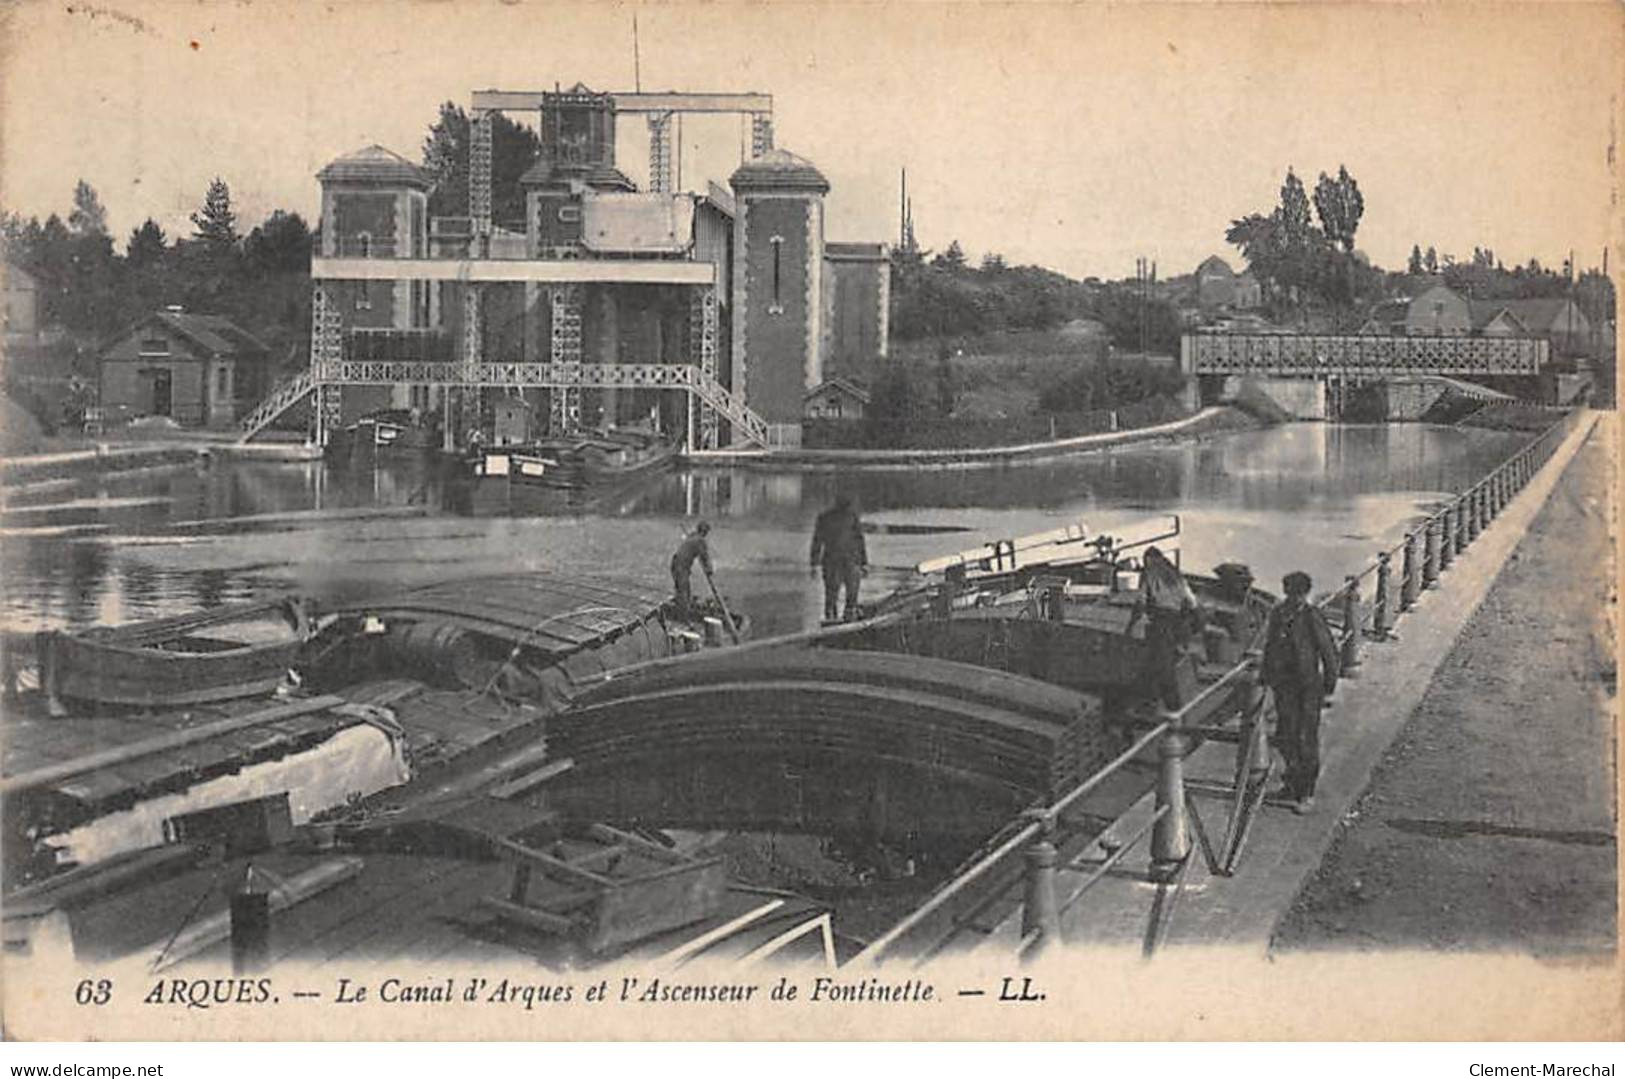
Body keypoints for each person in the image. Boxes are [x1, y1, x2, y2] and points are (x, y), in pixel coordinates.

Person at [1261, 570, 1341, 815]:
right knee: (1285, 736)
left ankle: (1305, 792)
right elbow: (1270, 646)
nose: (1294, 598)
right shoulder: (1278, 614)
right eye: (1290, 593)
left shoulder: (1311, 616)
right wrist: (1266, 675)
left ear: (1305, 594)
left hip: (1307, 687)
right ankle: (1291, 782)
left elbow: (1328, 650)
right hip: (1284, 686)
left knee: (1306, 739)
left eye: (1298, 594)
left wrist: (1329, 685)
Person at [1126, 546, 1202, 708]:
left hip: (1163, 624)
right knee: (1172, 659)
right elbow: (1191, 601)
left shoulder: (1149, 574)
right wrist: (1196, 625)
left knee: (1162, 665)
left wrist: (1130, 626)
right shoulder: (1175, 574)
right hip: (1181, 624)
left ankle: (1172, 707)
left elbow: (1140, 601)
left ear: (1149, 559)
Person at [810, 495, 868, 623]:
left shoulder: (826, 518)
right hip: (845, 561)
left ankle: (834, 620)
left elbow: (817, 542)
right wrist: (864, 563)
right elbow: (860, 541)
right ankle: (843, 620)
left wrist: (814, 564)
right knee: (845, 596)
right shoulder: (851, 517)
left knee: (834, 596)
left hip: (839, 562)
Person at [670, 521, 713, 622]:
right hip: (681, 567)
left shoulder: (692, 536)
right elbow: (705, 557)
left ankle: (681, 613)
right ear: (704, 532)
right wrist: (709, 570)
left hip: (676, 564)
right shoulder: (700, 541)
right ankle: (683, 618)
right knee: (683, 592)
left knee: (683, 591)